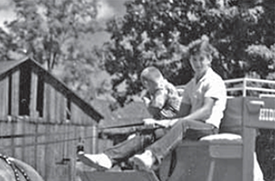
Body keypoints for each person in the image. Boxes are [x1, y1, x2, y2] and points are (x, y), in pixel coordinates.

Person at [80, 37, 226, 171]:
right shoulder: (191, 85)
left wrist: (175, 122)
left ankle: (151, 156)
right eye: (194, 59)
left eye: (202, 59)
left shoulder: (214, 81)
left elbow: (206, 111)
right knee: (152, 131)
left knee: (183, 124)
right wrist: (160, 123)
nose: (198, 63)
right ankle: (108, 158)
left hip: (208, 127)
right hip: (188, 126)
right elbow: (181, 114)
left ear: (209, 59)